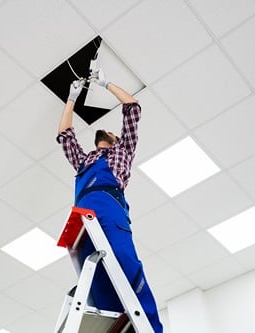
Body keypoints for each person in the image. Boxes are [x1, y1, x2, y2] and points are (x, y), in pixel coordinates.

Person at [56, 69, 163, 332]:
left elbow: (132, 107)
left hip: (109, 210)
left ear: (115, 140)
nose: (105, 134)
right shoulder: (84, 160)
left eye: (110, 134)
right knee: (96, 283)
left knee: (125, 265)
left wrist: (105, 83)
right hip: (83, 218)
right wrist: (71, 98)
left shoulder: (123, 150)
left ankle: (150, 327)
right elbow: (65, 136)